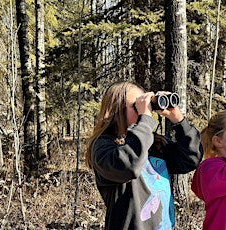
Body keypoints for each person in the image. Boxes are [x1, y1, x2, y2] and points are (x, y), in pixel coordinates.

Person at [86, 81, 203, 230]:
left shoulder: (153, 144)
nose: (145, 110)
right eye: (137, 105)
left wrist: (178, 119)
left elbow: (190, 158)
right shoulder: (104, 146)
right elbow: (129, 165)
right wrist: (145, 121)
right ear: (117, 110)